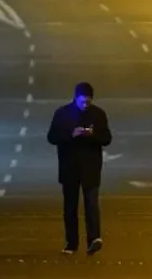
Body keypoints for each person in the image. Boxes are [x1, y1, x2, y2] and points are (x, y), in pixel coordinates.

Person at [47, 82, 112, 255]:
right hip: (69, 167)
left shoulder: (98, 114)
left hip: (91, 167)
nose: (85, 106)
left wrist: (93, 135)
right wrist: (71, 135)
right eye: (83, 102)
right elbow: (52, 137)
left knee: (91, 204)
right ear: (75, 99)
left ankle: (94, 239)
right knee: (70, 207)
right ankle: (71, 243)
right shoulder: (62, 114)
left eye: (88, 102)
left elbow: (107, 138)